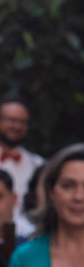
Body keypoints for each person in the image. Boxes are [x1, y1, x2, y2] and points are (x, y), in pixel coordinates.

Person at [0, 94, 45, 239]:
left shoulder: (38, 164)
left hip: (30, 238)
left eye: (22, 122)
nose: (17, 126)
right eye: (11, 120)